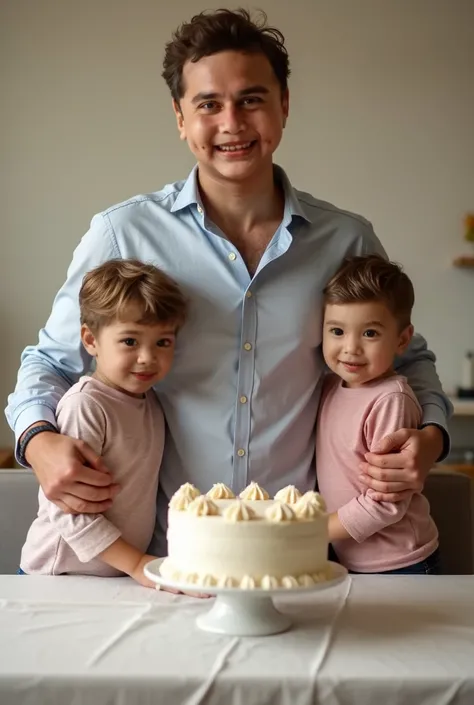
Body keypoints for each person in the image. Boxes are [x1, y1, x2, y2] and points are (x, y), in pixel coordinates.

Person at [6, 9, 451, 558]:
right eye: (208, 104)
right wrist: (39, 442)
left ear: (284, 106)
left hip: (298, 549)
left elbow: (410, 360)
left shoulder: (346, 239)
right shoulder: (121, 234)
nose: (232, 124)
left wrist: (430, 440)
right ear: (179, 117)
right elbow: (49, 364)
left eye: (252, 99)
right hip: (165, 554)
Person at [19, 259, 187, 587]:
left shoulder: (150, 402)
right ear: (91, 340)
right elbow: (69, 512)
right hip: (57, 576)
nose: (147, 357)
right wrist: (137, 563)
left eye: (162, 342)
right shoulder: (86, 405)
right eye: (130, 341)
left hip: (114, 575)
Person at [317, 255, 440, 574]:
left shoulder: (391, 400)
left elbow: (386, 503)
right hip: (349, 557)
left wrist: (313, 532)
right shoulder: (331, 386)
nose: (350, 348)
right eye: (337, 331)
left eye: (369, 334)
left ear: (402, 340)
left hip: (400, 562)